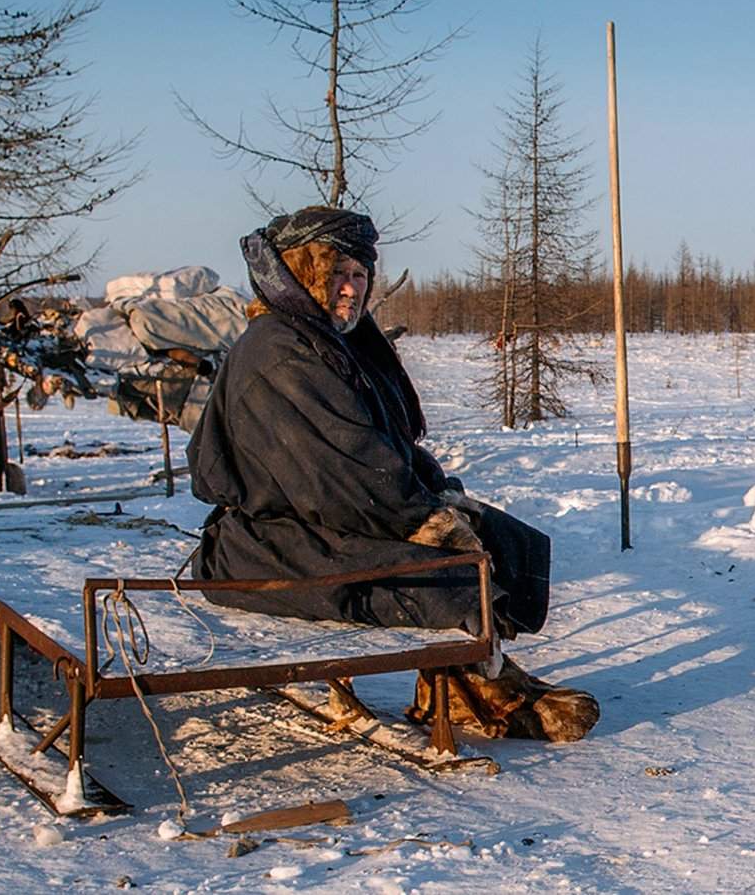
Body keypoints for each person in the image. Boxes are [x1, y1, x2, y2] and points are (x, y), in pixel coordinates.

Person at [187, 206, 598, 743]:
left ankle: (472, 683)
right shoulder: (282, 353)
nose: (350, 289)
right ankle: (488, 692)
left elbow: (382, 446)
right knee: (446, 572)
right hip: (265, 548)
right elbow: (348, 472)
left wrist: (436, 491)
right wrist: (426, 516)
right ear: (302, 274)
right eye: (336, 274)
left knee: (497, 542)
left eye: (359, 276)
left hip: (307, 525)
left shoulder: (318, 340)